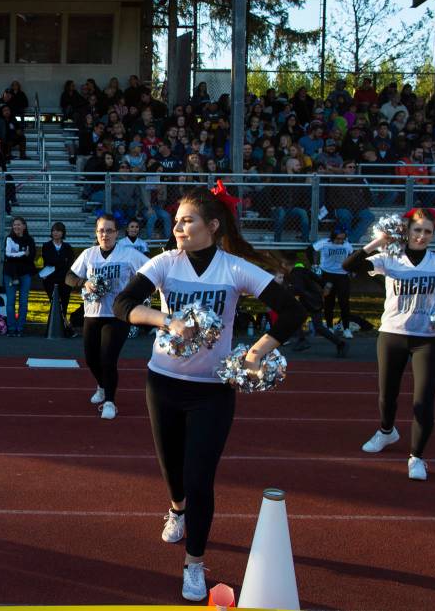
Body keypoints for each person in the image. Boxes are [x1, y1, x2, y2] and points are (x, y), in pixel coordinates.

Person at [113, 186, 304, 602]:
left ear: (212, 226)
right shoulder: (165, 263)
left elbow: (292, 310)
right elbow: (123, 303)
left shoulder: (234, 270)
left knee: (200, 479)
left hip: (213, 391)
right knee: (173, 473)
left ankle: (195, 563)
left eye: (187, 220)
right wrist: (165, 320)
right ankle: (176, 508)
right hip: (162, 383)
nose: (178, 227)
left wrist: (255, 353)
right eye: (177, 221)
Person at [342, 207, 435, 481]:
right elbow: (349, 266)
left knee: (423, 401)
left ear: (433, 235)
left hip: (428, 340)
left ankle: (417, 457)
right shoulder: (389, 258)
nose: (421, 236)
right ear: (407, 231)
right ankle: (387, 432)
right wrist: (380, 240)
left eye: (427, 232)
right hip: (391, 335)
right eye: (417, 230)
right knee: (387, 395)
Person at [67, 214, 148, 419]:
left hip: (117, 315)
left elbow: (151, 272)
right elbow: (69, 277)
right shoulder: (89, 254)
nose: (105, 234)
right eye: (101, 230)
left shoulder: (128, 254)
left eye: (110, 230)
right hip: (92, 313)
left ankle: (110, 402)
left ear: (117, 233)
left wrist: (134, 294)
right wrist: (84, 283)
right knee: (90, 358)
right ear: (96, 233)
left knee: (108, 359)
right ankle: (102, 386)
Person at [283, 263, 348, 357]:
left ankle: (302, 340)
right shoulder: (305, 271)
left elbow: (298, 289)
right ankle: (340, 344)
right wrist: (325, 289)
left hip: (309, 300)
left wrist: (288, 291)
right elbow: (321, 282)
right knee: (316, 326)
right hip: (315, 299)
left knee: (299, 319)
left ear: (285, 264)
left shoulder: (295, 274)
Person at [308, 228, 354, 337]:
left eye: (342, 239)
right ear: (333, 237)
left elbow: (353, 257)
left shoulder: (346, 245)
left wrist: (352, 270)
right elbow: (310, 249)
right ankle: (329, 327)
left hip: (342, 275)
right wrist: (314, 264)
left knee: (344, 302)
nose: (340, 241)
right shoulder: (325, 243)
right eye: (338, 239)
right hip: (328, 275)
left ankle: (346, 329)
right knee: (329, 302)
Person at [3, 216, 36, 336]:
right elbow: (7, 255)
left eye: (19, 224)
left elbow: (31, 257)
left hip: (25, 274)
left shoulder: (30, 240)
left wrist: (15, 255)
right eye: (14, 225)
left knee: (23, 302)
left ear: (24, 226)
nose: (16, 227)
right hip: (10, 274)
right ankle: (11, 328)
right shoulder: (8, 238)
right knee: (11, 302)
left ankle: (20, 328)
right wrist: (22, 254)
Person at [41, 222, 76, 333]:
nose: (55, 233)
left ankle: (63, 328)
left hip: (65, 280)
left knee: (64, 303)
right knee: (55, 303)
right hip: (51, 280)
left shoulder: (67, 247)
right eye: (54, 230)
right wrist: (62, 261)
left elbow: (69, 263)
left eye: (58, 230)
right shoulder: (46, 246)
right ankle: (58, 328)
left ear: (63, 233)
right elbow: (49, 261)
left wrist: (59, 262)